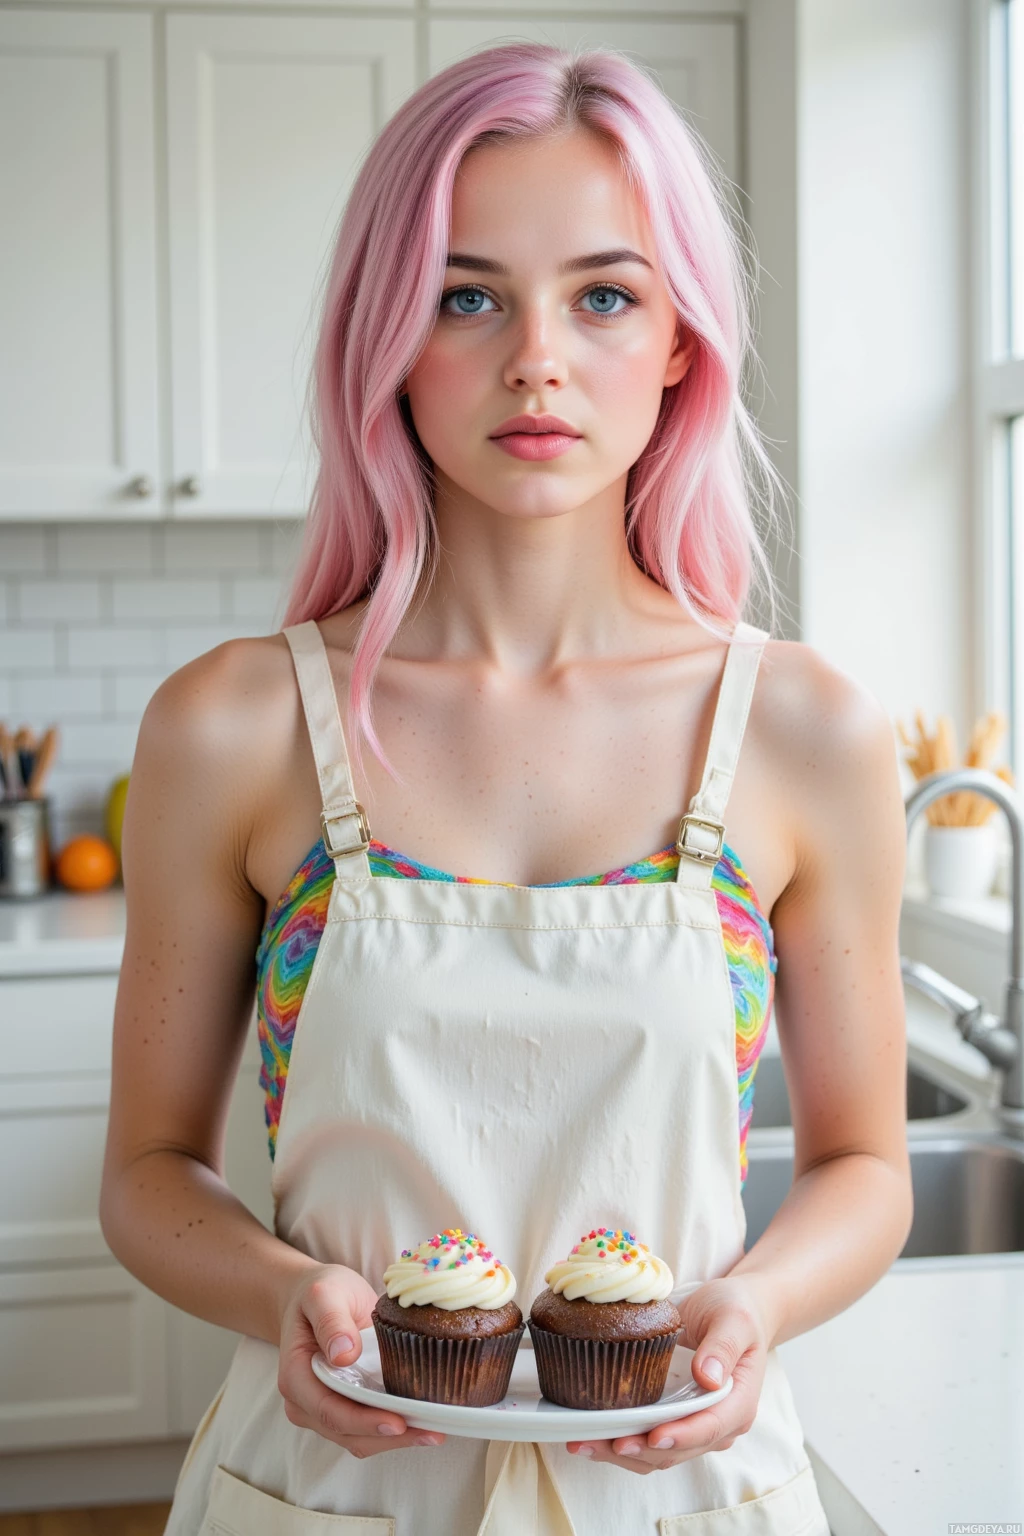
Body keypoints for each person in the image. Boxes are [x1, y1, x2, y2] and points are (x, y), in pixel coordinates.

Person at [100, 40, 912, 1535]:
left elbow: (866, 1164)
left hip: (686, 1494)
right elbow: (150, 1172)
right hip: (328, 1489)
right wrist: (281, 1293)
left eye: (605, 296)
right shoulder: (235, 726)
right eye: (465, 296)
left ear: (682, 342)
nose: (538, 357)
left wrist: (760, 1305)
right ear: (386, 337)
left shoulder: (807, 733)